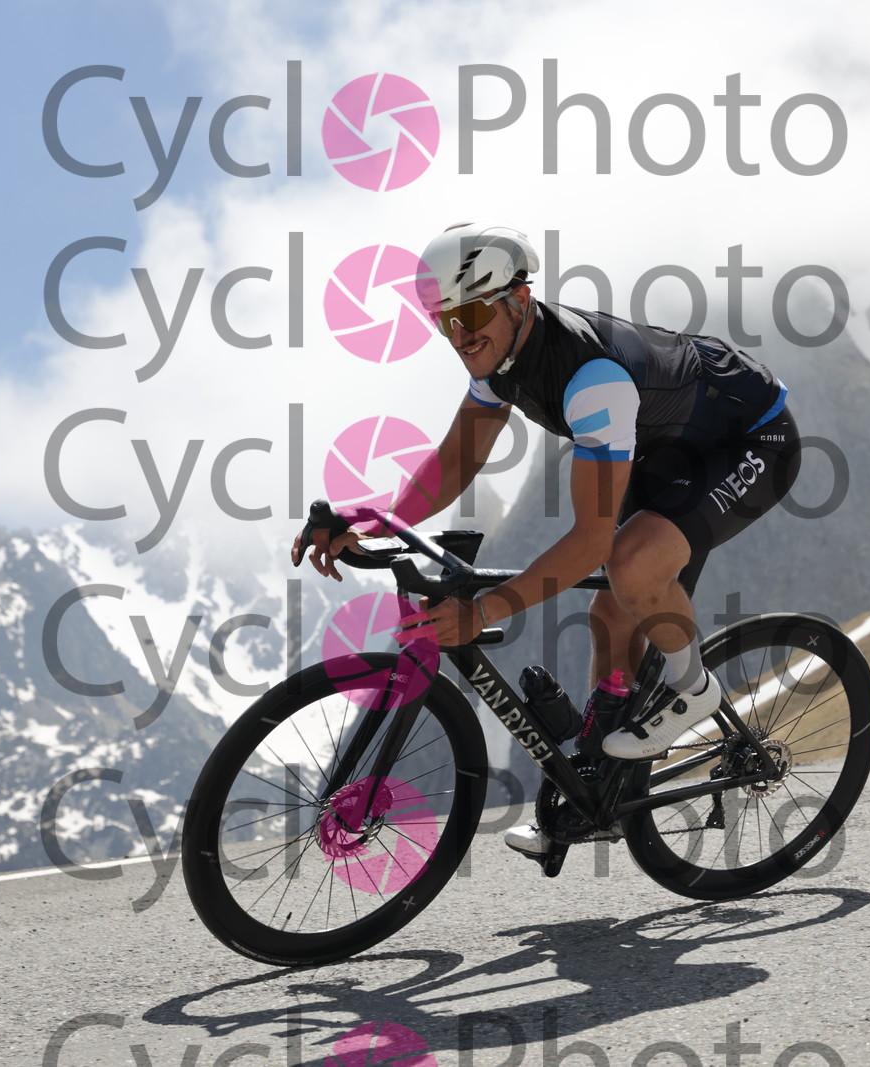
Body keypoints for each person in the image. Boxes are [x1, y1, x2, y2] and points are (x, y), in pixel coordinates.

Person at [293, 222, 801, 857]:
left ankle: (692, 687)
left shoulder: (591, 380)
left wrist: (483, 611)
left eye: (470, 314)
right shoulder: (499, 359)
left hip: (752, 439)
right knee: (610, 612)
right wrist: (377, 517)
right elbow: (458, 460)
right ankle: (596, 789)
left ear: (518, 300)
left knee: (631, 565)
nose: (459, 336)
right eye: (444, 321)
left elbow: (588, 543)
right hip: (669, 446)